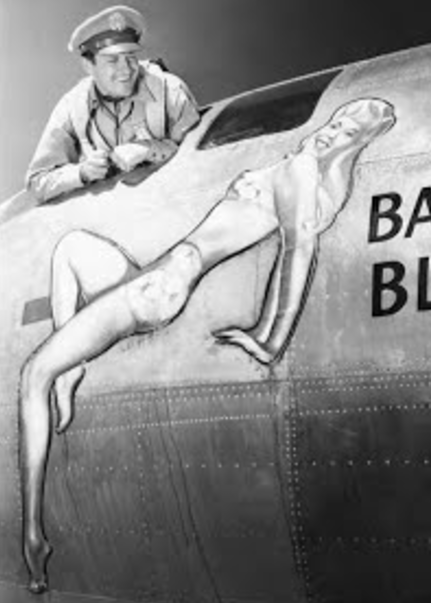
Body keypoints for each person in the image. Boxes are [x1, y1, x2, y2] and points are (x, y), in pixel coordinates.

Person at [18, 97, 396, 593]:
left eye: (347, 132)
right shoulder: (312, 175)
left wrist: (269, 337)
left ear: (357, 144)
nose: (333, 131)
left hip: (158, 288)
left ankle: (33, 536)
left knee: (33, 375)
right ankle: (71, 371)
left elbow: (299, 249)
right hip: (156, 272)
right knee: (70, 249)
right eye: (338, 121)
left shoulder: (303, 171)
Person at [25, 5, 200, 203]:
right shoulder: (71, 108)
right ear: (88, 66)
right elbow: (37, 183)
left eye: (130, 57)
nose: (126, 69)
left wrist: (149, 149)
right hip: (111, 213)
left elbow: (202, 156)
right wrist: (82, 172)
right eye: (112, 60)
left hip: (174, 199)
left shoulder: (170, 89)